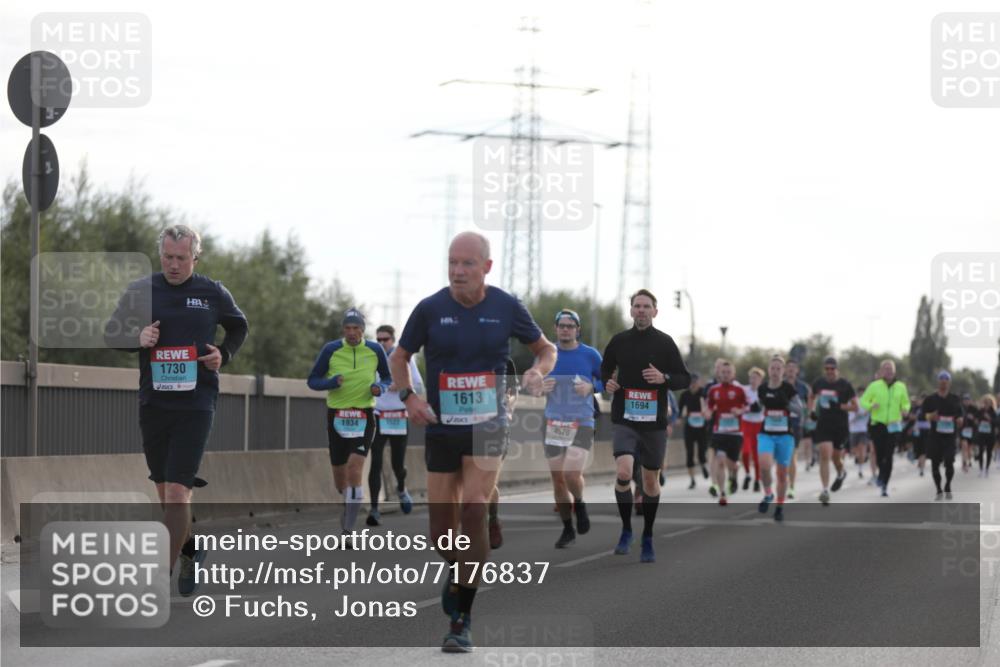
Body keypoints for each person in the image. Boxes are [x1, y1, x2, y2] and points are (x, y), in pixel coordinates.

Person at [389, 232, 555, 652]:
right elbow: (399, 357)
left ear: (486, 267)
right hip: (443, 425)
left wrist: (537, 372)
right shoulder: (430, 309)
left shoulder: (505, 306)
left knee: (472, 511)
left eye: (467, 264)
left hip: (490, 423)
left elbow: (545, 348)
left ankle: (461, 618)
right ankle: (462, 565)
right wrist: (409, 397)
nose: (458, 271)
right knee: (441, 535)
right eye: (452, 263)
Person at [105, 224, 249, 596]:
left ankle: (158, 576)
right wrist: (137, 338)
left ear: (194, 258)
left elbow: (238, 327)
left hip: (197, 403)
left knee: (177, 491)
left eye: (180, 258)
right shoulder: (141, 291)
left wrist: (224, 354)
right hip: (154, 402)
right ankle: (190, 549)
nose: (172, 265)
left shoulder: (212, 292)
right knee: (164, 490)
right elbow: (111, 332)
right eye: (167, 257)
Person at [601, 289, 690, 563]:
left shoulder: (665, 343)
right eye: (637, 306)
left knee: (651, 481)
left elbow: (683, 378)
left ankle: (648, 535)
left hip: (654, 423)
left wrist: (663, 377)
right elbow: (604, 371)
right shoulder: (619, 341)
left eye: (646, 306)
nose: (641, 310)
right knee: (624, 472)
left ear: (655, 311)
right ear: (631, 311)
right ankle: (627, 529)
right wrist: (608, 383)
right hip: (625, 418)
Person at [307, 309, 392, 542]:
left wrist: (380, 388)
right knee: (340, 481)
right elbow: (312, 380)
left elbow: (387, 378)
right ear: (343, 330)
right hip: (336, 417)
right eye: (348, 328)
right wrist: (331, 382)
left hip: (364, 415)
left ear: (363, 330)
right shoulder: (331, 349)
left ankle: (349, 530)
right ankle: (349, 505)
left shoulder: (375, 350)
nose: (352, 332)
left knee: (355, 468)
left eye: (356, 328)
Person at [541, 309, 602, 548]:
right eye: (562, 325)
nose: (565, 329)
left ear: (578, 329)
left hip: (582, 421)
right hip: (554, 422)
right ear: (555, 329)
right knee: (557, 481)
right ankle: (568, 528)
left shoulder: (590, 355)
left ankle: (580, 502)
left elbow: (607, 380)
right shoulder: (548, 355)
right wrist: (540, 386)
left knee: (571, 474)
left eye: (570, 326)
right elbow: (532, 384)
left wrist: (592, 387)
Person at [367, 324, 423, 526]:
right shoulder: (371, 357)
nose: (382, 343)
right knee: (375, 461)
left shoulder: (404, 358)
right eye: (379, 339)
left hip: (399, 416)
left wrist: (396, 386)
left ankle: (401, 487)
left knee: (397, 464)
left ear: (393, 339)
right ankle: (374, 509)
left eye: (386, 340)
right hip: (378, 415)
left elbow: (418, 384)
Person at [755, 356, 801, 522]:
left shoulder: (789, 389)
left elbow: (800, 411)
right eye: (772, 368)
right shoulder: (762, 388)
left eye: (778, 369)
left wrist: (787, 404)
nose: (775, 372)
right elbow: (758, 405)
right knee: (764, 465)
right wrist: (755, 406)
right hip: (766, 433)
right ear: (768, 370)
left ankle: (779, 507)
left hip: (785, 436)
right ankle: (768, 494)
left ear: (783, 371)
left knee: (782, 474)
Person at [858, 360, 910, 496]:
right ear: (881, 372)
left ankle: (884, 484)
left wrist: (905, 409)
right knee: (880, 454)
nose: (888, 371)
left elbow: (906, 402)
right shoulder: (874, 386)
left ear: (894, 371)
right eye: (885, 369)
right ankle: (881, 474)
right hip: (878, 425)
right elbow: (863, 401)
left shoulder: (900, 387)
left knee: (889, 454)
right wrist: (871, 406)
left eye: (890, 369)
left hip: (894, 425)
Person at [810, 357, 857, 505]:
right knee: (825, 454)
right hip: (824, 424)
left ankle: (841, 473)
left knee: (836, 458)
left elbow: (855, 406)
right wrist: (811, 410)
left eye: (832, 368)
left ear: (837, 369)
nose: (829, 371)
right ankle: (825, 491)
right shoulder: (819, 383)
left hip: (840, 427)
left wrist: (840, 406)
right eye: (827, 369)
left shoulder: (845, 385)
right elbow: (811, 396)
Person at [705, 360, 749, 506]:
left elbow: (749, 406)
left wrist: (740, 411)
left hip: (736, 433)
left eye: (728, 372)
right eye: (723, 372)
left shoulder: (740, 390)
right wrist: (708, 412)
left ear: (733, 374)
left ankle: (734, 475)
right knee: (720, 461)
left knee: (733, 464)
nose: (725, 375)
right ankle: (723, 493)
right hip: (720, 431)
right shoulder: (714, 390)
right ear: (719, 373)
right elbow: (709, 405)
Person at [921, 371, 964, 500]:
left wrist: (960, 419)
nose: (943, 381)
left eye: (946, 379)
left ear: (949, 382)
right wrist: (930, 416)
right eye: (941, 379)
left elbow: (961, 414)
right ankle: (939, 489)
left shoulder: (955, 399)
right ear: (938, 381)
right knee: (935, 464)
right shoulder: (930, 399)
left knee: (949, 461)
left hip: (950, 436)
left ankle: (948, 486)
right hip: (935, 436)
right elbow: (923, 415)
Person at [784, 359, 811, 499]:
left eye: (793, 368)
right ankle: (784, 482)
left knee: (792, 455)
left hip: (796, 424)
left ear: (797, 371)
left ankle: (791, 487)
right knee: (783, 457)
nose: (790, 370)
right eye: (788, 368)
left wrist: (807, 417)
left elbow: (809, 404)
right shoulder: (779, 385)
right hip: (779, 423)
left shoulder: (803, 388)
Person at [678, 373, 709, 489]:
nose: (693, 384)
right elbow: (680, 410)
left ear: (698, 381)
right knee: (689, 453)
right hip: (690, 426)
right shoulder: (684, 394)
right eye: (691, 382)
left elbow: (709, 406)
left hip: (702, 427)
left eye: (695, 381)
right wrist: (680, 418)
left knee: (702, 451)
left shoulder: (704, 392)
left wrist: (706, 412)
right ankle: (692, 480)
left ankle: (703, 465)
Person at [739, 367, 765, 492]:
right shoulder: (744, 390)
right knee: (745, 451)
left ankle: (757, 480)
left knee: (756, 454)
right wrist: (748, 408)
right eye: (751, 378)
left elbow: (765, 407)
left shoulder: (763, 392)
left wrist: (760, 407)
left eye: (756, 378)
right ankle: (748, 474)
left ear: (760, 380)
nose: (753, 380)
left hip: (758, 425)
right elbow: (739, 404)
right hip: (746, 423)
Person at [849, 386, 870, 479]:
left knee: (862, 449)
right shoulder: (852, 402)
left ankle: (860, 469)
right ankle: (860, 459)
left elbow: (867, 413)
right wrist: (856, 416)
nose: (862, 394)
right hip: (853, 430)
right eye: (860, 392)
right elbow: (850, 417)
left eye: (863, 392)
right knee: (855, 451)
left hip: (863, 430)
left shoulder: (868, 402)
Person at [975, 395, 997, 476]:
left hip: (990, 435)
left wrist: (990, 419)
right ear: (984, 403)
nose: (987, 404)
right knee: (980, 451)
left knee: (989, 452)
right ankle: (981, 469)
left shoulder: (993, 412)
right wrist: (977, 420)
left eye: (989, 402)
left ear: (991, 403)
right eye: (986, 402)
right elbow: (975, 419)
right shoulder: (980, 411)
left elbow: (996, 423)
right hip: (981, 434)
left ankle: (987, 469)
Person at [959, 394, 977, 474]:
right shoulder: (960, 408)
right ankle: (964, 463)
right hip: (962, 430)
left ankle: (969, 459)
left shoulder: (974, 409)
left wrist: (973, 418)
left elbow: (977, 419)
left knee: (969, 449)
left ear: (970, 400)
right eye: (965, 400)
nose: (966, 401)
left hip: (971, 431)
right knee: (964, 446)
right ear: (963, 401)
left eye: (968, 400)